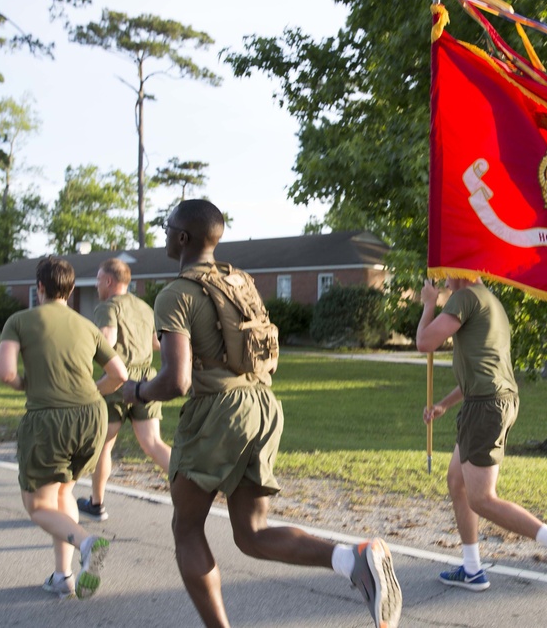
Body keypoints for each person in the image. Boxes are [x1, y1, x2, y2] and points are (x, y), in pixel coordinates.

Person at [121, 199, 402, 628]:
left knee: (187, 528)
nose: (163, 233)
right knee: (251, 534)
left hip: (218, 413)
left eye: (167, 226)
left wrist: (135, 390)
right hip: (263, 407)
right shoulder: (242, 282)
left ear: (181, 238)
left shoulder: (176, 293)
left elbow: (175, 381)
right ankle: (351, 559)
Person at [416, 276, 547, 595]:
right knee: (457, 481)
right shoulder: (491, 302)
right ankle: (471, 569)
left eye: (447, 270)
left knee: (481, 498)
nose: (442, 277)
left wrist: (430, 302)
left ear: (460, 269)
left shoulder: (464, 297)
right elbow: (482, 369)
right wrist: (443, 404)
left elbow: (425, 342)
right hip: (492, 400)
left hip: (485, 406)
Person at [0, 256, 129, 600]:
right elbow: (120, 375)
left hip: (48, 421)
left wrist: (27, 383)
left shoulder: (19, 321)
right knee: (62, 494)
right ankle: (63, 576)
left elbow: (6, 373)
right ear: (69, 291)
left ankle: (87, 544)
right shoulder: (87, 325)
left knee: (39, 506)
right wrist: (88, 393)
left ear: (40, 287)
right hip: (92, 418)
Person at [77, 258, 172, 521]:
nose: (96, 285)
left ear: (109, 281)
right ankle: (188, 492)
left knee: (105, 445)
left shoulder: (107, 307)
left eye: (98, 280)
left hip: (118, 381)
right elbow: (156, 342)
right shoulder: (143, 307)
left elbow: (107, 341)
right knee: (153, 443)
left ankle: (96, 505)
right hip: (146, 382)